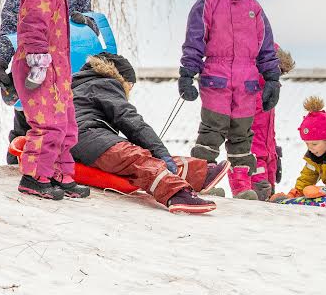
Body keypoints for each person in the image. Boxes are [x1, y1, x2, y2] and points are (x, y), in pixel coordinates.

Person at [177, 0, 281, 200]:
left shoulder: (253, 7)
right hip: (217, 77)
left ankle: (243, 185)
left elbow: (266, 46)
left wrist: (272, 78)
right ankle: (202, 180)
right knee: (212, 131)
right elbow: (195, 40)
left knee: (242, 133)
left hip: (246, 81)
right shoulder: (208, 3)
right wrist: (187, 73)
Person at [69, 52, 225, 214]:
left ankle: (200, 174)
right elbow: (131, 122)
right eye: (130, 85)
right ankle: (176, 194)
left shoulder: (78, 86)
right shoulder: (105, 83)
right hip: (89, 137)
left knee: (131, 159)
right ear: (121, 78)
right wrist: (161, 152)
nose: (129, 90)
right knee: (137, 159)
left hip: (71, 144)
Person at [0, 0, 97, 165]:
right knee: (29, 124)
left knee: (64, 127)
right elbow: (11, 26)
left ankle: (57, 174)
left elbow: (90, 32)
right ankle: (17, 170)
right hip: (32, 67)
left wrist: (86, 22)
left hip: (67, 70)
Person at [10, 0, 91, 200]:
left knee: (67, 124)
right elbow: (32, 24)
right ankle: (33, 177)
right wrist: (37, 60)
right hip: (39, 65)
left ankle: (59, 175)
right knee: (48, 124)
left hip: (57, 68)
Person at [250, 45, 295, 200]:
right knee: (258, 197)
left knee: (270, 199)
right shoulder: (251, 90)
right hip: (253, 155)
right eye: (279, 71)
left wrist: (275, 153)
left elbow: (269, 128)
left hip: (269, 156)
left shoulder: (269, 93)